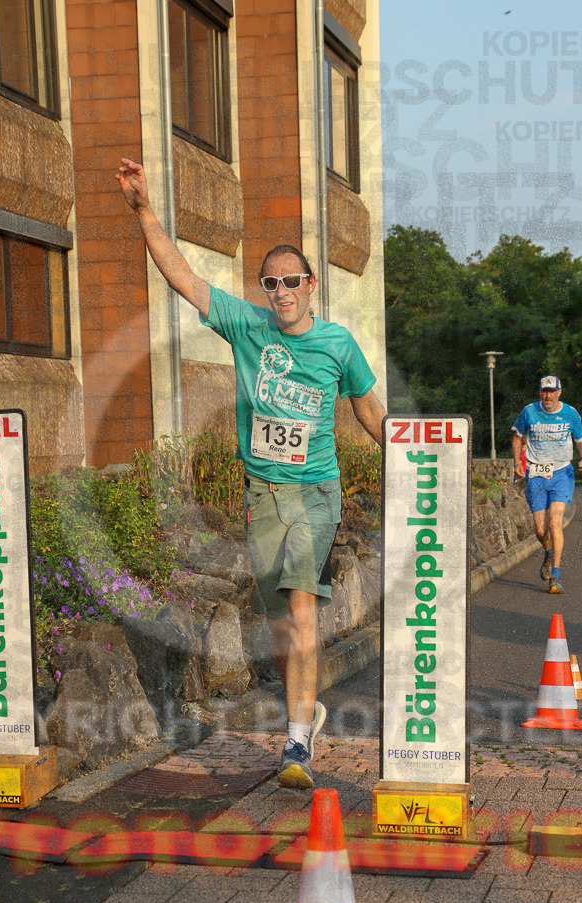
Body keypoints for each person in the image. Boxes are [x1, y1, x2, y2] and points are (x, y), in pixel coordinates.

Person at [116, 157, 385, 789]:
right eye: (272, 283)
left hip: (316, 491)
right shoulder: (247, 326)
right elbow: (183, 276)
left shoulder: (338, 345)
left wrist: (418, 464)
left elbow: (371, 410)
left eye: (293, 281)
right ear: (263, 290)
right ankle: (306, 711)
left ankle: (295, 746)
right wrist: (143, 209)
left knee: (302, 607)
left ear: (312, 285)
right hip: (261, 493)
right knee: (280, 623)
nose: (283, 292)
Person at [512, 375, 582, 594]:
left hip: (561, 473)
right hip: (535, 473)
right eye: (544, 391)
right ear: (540, 392)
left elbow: (581, 442)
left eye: (551, 391)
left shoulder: (570, 414)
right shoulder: (529, 412)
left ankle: (555, 576)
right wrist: (518, 462)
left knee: (555, 522)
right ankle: (548, 553)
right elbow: (517, 438)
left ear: (559, 392)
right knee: (540, 530)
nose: (547, 396)